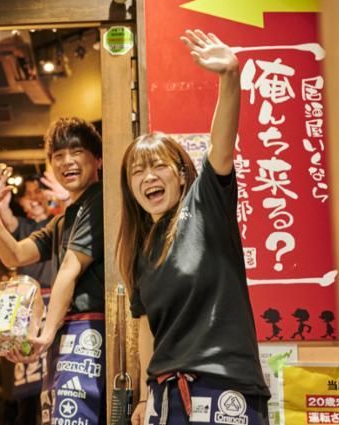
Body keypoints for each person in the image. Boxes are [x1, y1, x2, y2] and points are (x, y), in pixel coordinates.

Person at [115, 30, 270, 425]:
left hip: (224, 389)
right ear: (130, 188)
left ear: (182, 174)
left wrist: (230, 76)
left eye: (158, 166)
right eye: (137, 172)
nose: (149, 177)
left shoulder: (204, 204)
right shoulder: (139, 249)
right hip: (165, 396)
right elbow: (147, 328)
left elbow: (221, 146)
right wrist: (144, 395)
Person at [0, 117, 106, 425]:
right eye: (58, 155)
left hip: (89, 332)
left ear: (98, 159)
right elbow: (15, 255)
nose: (67, 161)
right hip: (66, 334)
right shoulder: (63, 219)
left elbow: (70, 269)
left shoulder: (99, 200)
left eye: (76, 151)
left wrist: (44, 335)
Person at [0, 175, 65, 425]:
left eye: (39, 194)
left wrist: (61, 198)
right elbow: (7, 218)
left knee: (55, 371)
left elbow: (68, 212)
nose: (34, 200)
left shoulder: (57, 223)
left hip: (54, 304)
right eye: (29, 196)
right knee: (25, 376)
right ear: (22, 202)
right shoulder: (22, 226)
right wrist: (0, 204)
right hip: (25, 308)